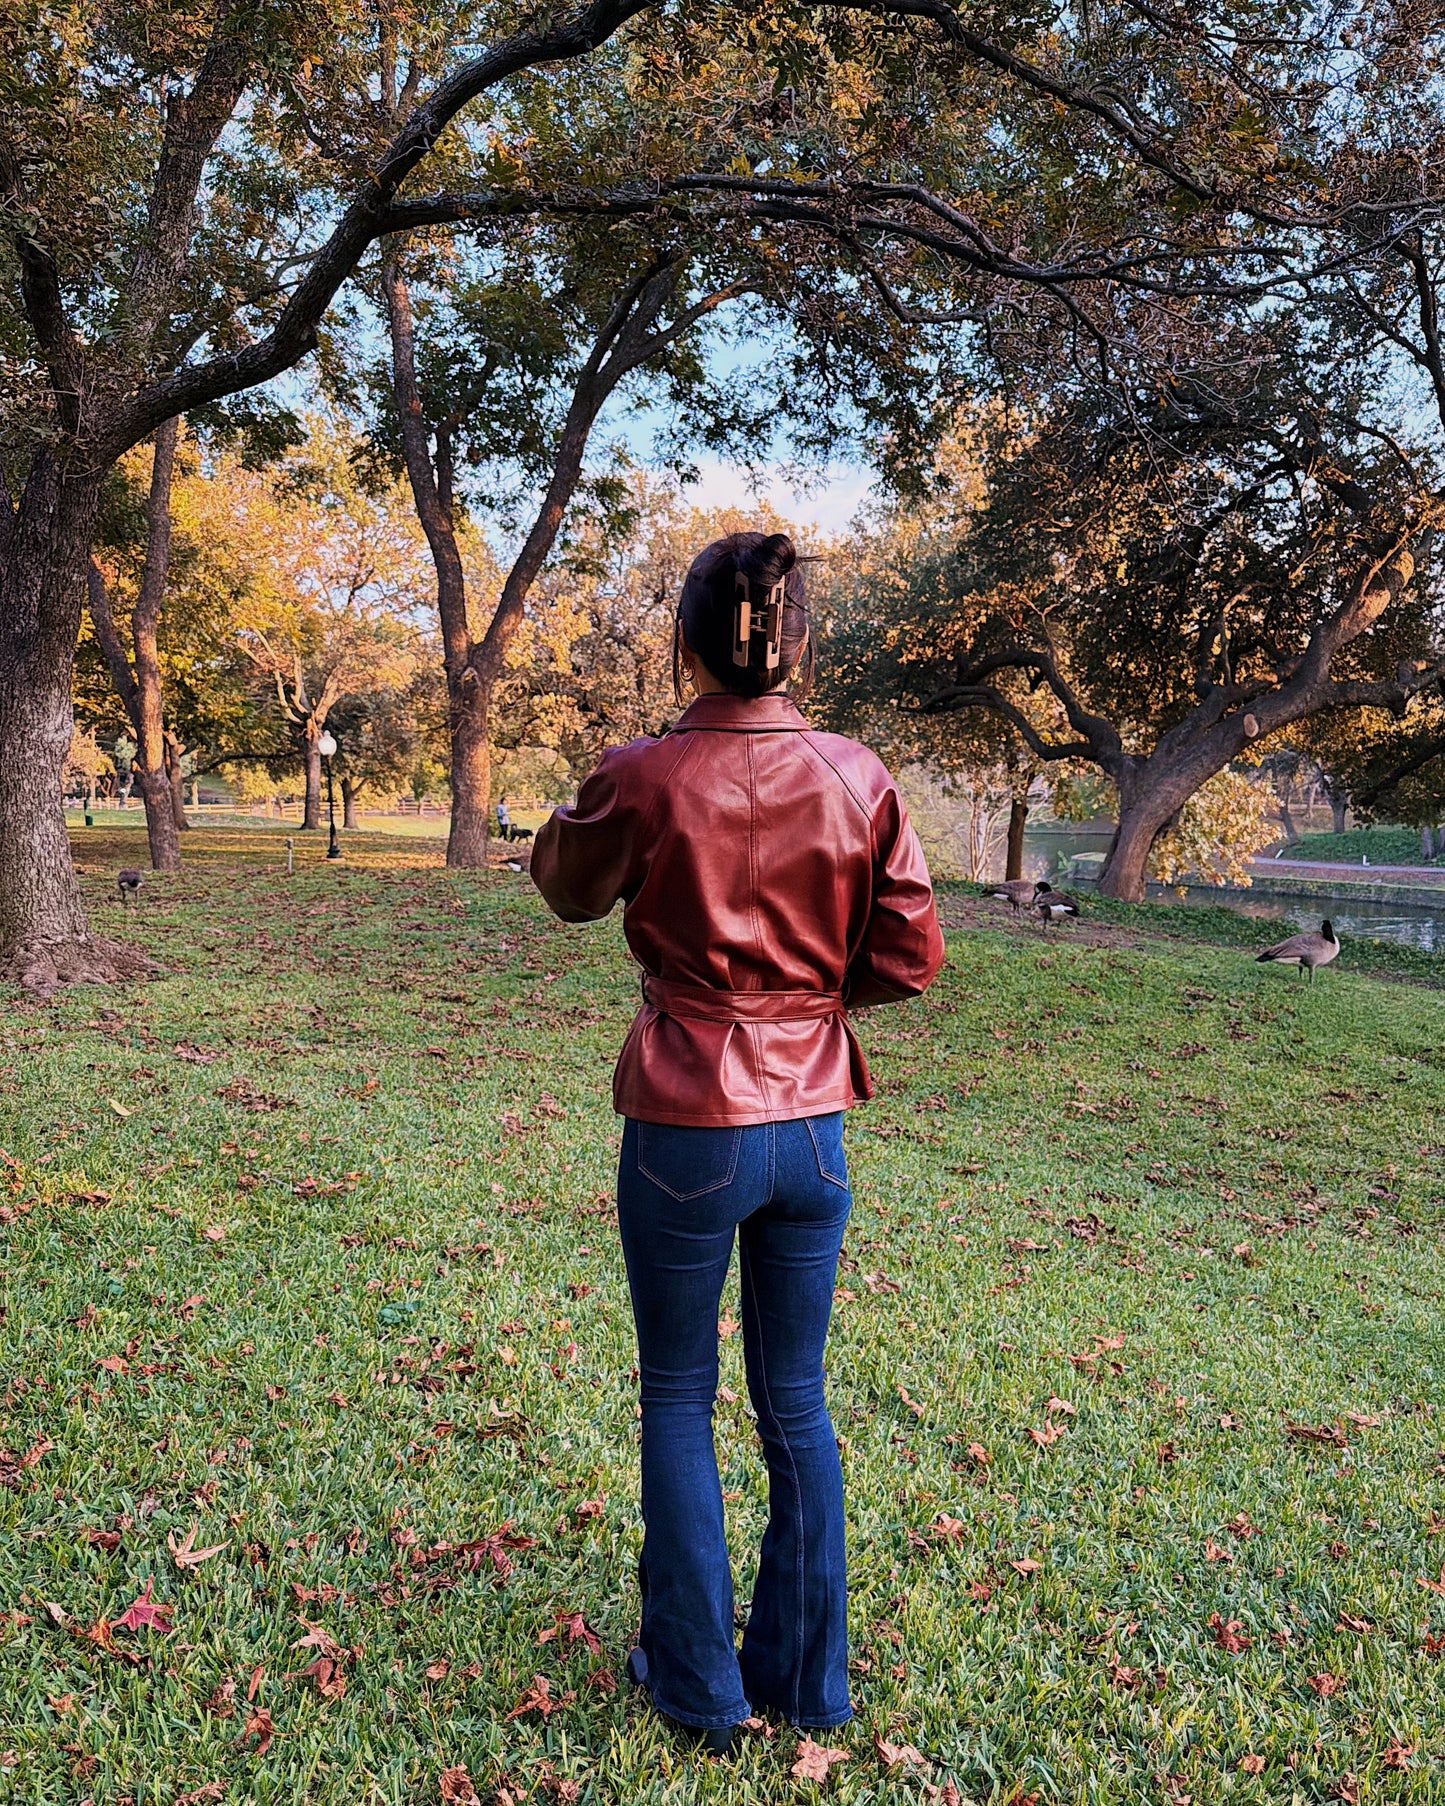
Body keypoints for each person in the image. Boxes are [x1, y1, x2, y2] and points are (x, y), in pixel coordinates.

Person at [530, 530, 943, 1754]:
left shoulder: (642, 773)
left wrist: (587, 804)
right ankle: (809, 1685)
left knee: (676, 1391)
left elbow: (563, 884)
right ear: (799, 637)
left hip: (683, 1119)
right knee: (797, 1403)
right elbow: (910, 957)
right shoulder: (858, 774)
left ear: (684, 641)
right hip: (810, 1127)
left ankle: (699, 1692)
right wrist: (804, 1009)